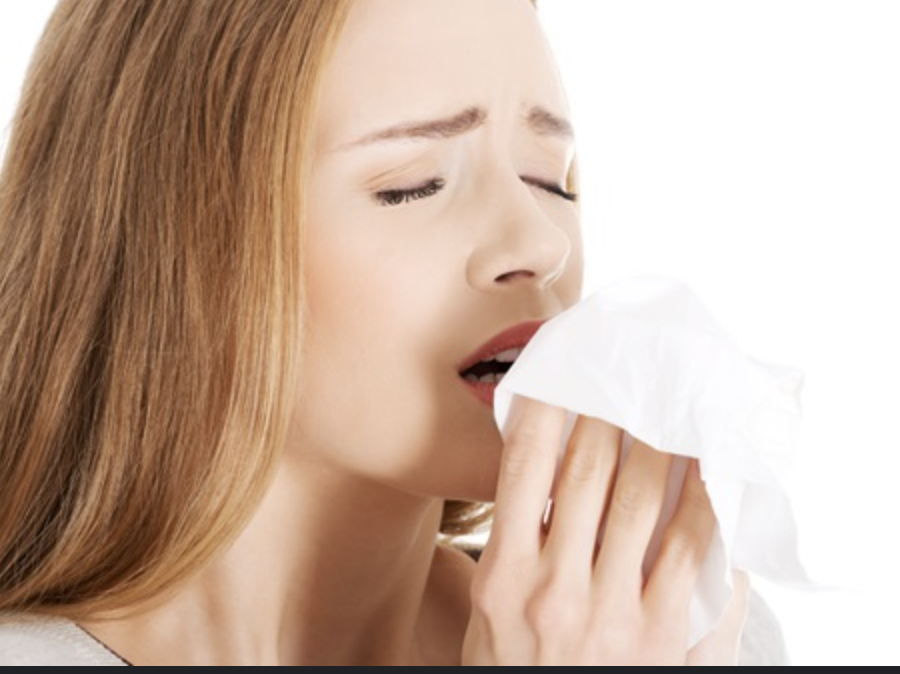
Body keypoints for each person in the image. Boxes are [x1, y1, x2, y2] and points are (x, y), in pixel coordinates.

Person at [0, 0, 786, 665]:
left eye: (550, 178)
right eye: (417, 186)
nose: (541, 242)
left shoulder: (678, 632)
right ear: (176, 247)